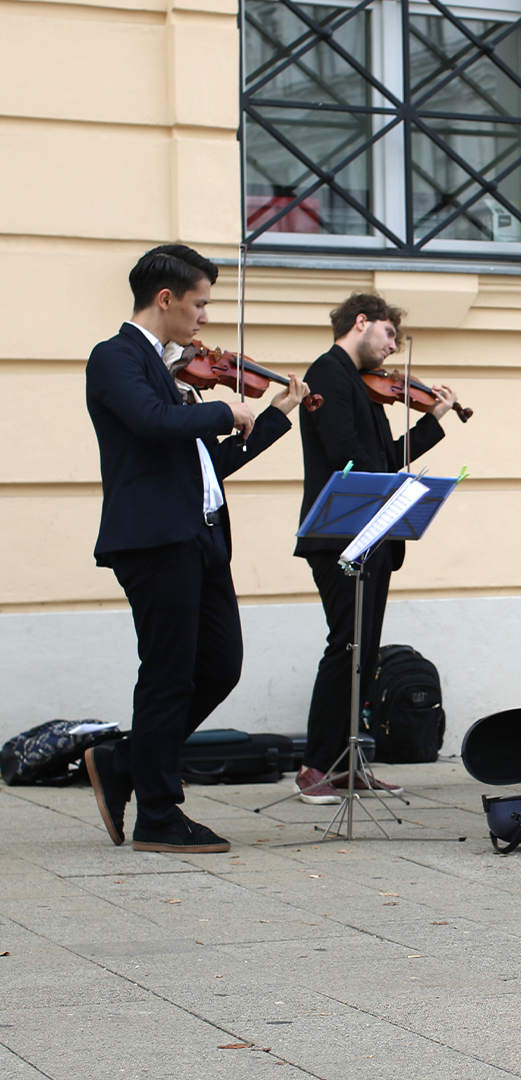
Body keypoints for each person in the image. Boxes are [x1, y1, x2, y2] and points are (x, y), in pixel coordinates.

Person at [82, 244, 309, 854]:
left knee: (218, 665)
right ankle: (158, 813)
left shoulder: (171, 369)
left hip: (200, 535)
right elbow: (155, 422)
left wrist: (275, 414)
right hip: (155, 541)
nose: (205, 317)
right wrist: (220, 407)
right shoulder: (116, 358)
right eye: (200, 303)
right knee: (167, 675)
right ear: (166, 299)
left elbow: (212, 464)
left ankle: (126, 761)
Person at [292, 293, 460, 805]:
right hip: (342, 534)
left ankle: (347, 764)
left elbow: (385, 455)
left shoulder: (363, 388)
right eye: (389, 335)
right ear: (361, 322)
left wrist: (435, 420)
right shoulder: (327, 374)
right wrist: (394, 475)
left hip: (372, 535)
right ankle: (316, 767)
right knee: (346, 647)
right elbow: (351, 455)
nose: (392, 348)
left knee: (363, 654)